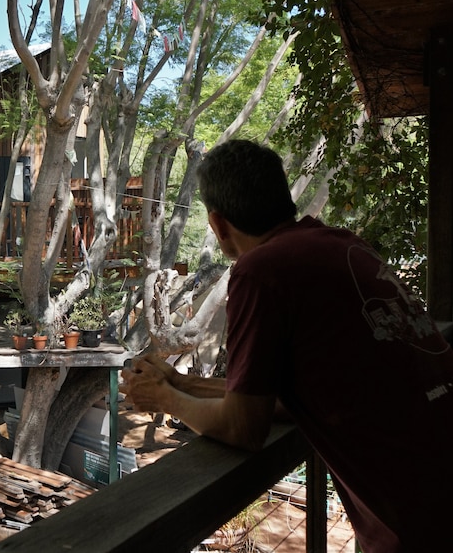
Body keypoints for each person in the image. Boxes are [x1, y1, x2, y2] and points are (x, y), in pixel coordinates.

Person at [120, 139, 453, 553]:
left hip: (424, 522)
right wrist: (180, 383)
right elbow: (278, 398)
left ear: (219, 225)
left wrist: (165, 398)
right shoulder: (342, 244)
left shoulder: (262, 270)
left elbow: (245, 427)